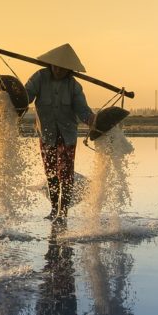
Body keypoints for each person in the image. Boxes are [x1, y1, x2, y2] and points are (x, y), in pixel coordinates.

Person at [24, 44, 95, 225]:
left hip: (67, 135)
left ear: (69, 70)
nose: (58, 70)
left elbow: (82, 110)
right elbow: (26, 97)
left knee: (66, 175)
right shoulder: (39, 78)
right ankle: (54, 209)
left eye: (62, 68)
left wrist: (92, 120)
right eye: (55, 66)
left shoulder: (74, 86)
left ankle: (63, 212)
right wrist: (14, 98)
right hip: (47, 135)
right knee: (51, 173)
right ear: (50, 64)